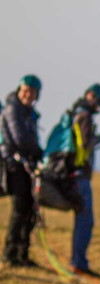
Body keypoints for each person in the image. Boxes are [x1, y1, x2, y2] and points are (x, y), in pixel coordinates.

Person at [1, 75, 43, 267]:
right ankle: (11, 254)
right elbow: (20, 139)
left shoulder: (29, 112)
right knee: (20, 209)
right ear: (19, 90)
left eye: (32, 92)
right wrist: (39, 153)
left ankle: (22, 253)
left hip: (26, 166)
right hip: (14, 166)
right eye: (25, 90)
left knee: (29, 209)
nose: (28, 94)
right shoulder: (13, 109)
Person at [67, 83, 100, 277]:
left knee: (83, 220)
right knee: (85, 220)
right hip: (80, 176)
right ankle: (78, 263)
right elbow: (84, 142)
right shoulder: (84, 115)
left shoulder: (76, 111)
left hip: (74, 174)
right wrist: (97, 139)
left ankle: (78, 262)